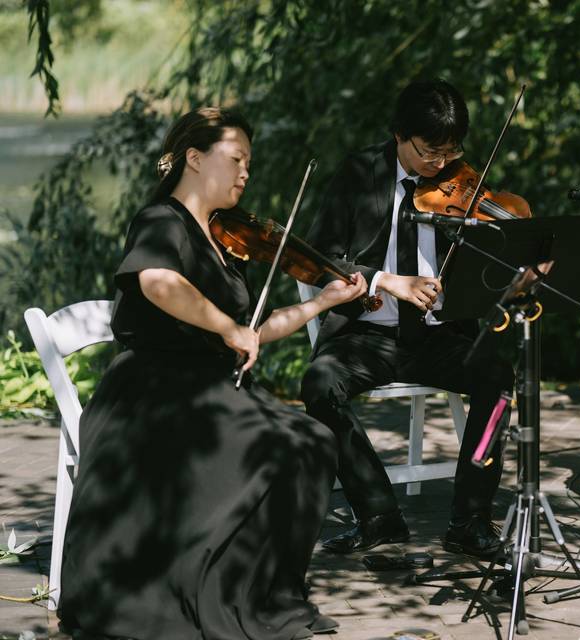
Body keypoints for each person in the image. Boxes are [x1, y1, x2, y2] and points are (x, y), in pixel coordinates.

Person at [58, 107, 367, 639]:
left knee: (313, 439)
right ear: (195, 159)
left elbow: (254, 331)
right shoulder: (161, 220)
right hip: (152, 392)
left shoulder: (226, 239)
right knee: (279, 446)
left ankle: (255, 594)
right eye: (237, 158)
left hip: (208, 387)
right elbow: (157, 281)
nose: (246, 172)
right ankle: (202, 591)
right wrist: (227, 327)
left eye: (250, 161)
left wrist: (324, 302)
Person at [300, 79, 514, 559]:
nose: (441, 164)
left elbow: (487, 270)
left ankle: (472, 518)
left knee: (498, 377)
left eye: (451, 151)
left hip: (441, 337)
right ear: (399, 135)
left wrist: (517, 256)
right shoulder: (359, 174)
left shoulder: (464, 183)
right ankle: (378, 514)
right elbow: (317, 259)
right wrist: (384, 280)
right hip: (366, 335)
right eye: (429, 152)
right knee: (318, 383)